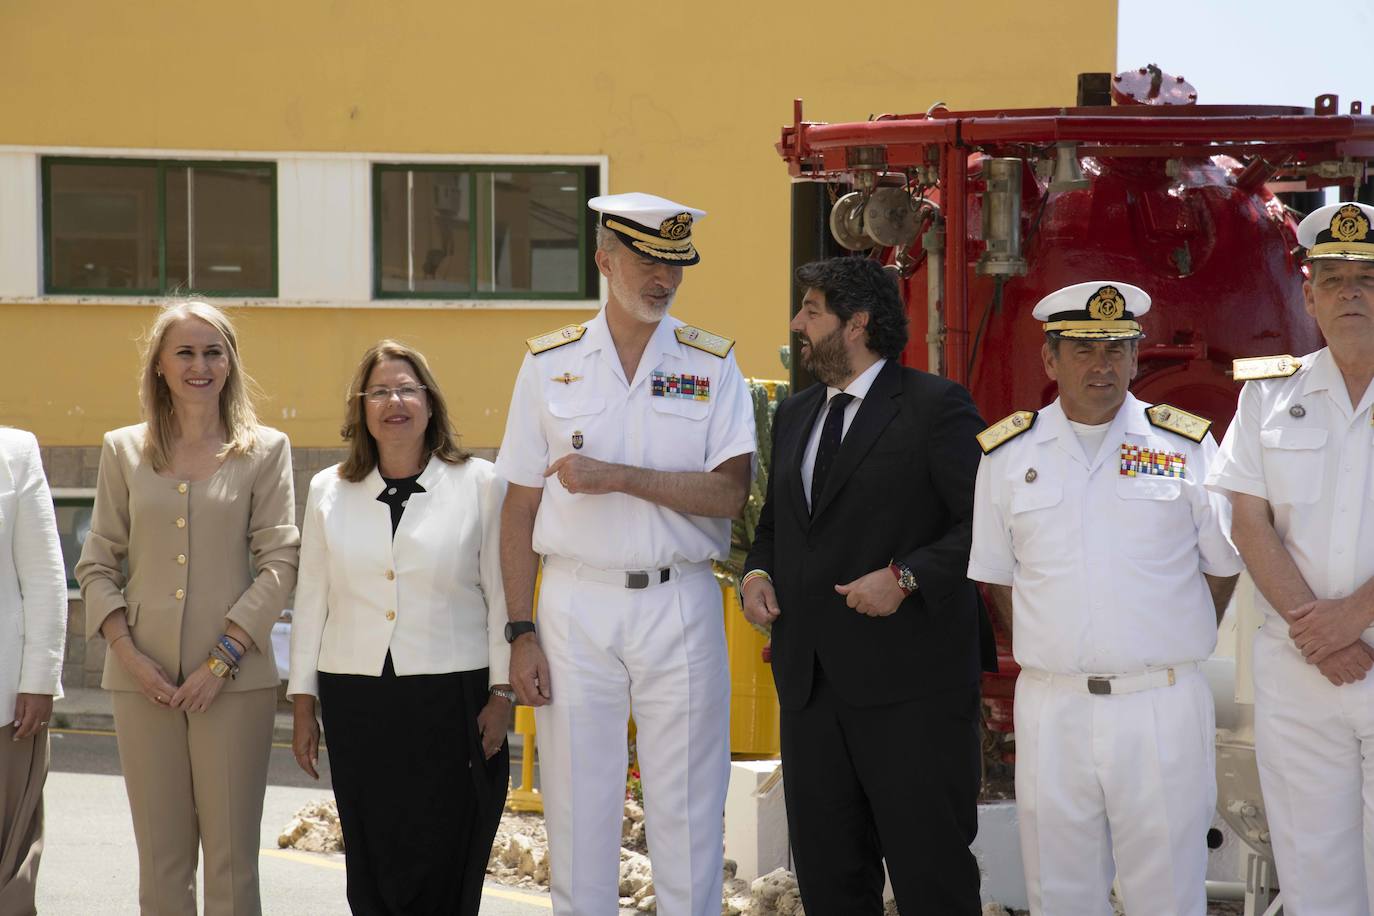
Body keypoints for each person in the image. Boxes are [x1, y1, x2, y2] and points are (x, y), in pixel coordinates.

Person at [495, 191, 755, 915]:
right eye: (645, 261)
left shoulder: (712, 365)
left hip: (682, 600)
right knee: (579, 809)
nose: (661, 280)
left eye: (674, 266)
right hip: (575, 604)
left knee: (691, 810)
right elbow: (517, 509)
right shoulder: (549, 364)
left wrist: (618, 479)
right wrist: (521, 632)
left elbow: (729, 493)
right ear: (605, 261)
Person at [968, 280, 1242, 916]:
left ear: (1135, 357)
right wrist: (1060, 648)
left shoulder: (1186, 445)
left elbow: (1222, 564)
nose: (1104, 366)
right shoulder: (1008, 455)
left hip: (1161, 703)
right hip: (1054, 707)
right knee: (1060, 891)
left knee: (1167, 892)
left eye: (1118, 349)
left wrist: (1171, 635)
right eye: (1086, 350)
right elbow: (999, 578)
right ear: (1050, 360)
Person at [739, 256, 985, 913]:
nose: (796, 324)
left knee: (931, 877)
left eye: (811, 310)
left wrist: (907, 577)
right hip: (812, 693)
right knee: (830, 882)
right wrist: (757, 572)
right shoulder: (794, 416)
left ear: (856, 324)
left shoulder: (937, 407)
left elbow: (988, 525)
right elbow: (777, 528)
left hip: (914, 694)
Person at [76, 300, 300, 916]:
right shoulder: (122, 450)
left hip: (234, 682)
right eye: (185, 351)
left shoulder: (265, 450)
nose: (200, 365)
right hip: (138, 680)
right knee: (163, 861)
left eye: (213, 351)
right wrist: (129, 657)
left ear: (229, 362)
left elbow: (280, 562)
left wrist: (221, 660)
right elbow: (97, 563)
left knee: (231, 862)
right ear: (160, 365)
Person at [288, 340, 511, 915]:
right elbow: (312, 597)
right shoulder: (326, 490)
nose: (395, 401)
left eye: (407, 389)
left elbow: (500, 592)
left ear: (430, 403)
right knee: (375, 846)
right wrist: (303, 703)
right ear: (361, 408)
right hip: (357, 697)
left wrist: (503, 691)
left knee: (447, 842)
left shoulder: (480, 483)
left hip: (452, 694)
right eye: (380, 391)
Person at [1207, 201, 1374, 913]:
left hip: (1360, 648)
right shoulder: (1269, 393)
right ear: (1307, 296)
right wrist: (1315, 629)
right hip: (1299, 670)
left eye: (1366, 278)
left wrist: (1352, 619)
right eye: (1332, 279)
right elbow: (1248, 521)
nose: (1350, 294)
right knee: (1312, 877)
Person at [0, 428, 67, 915]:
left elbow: (45, 575)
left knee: (9, 864)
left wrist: (40, 680)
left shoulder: (14, 451)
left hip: (6, 704)